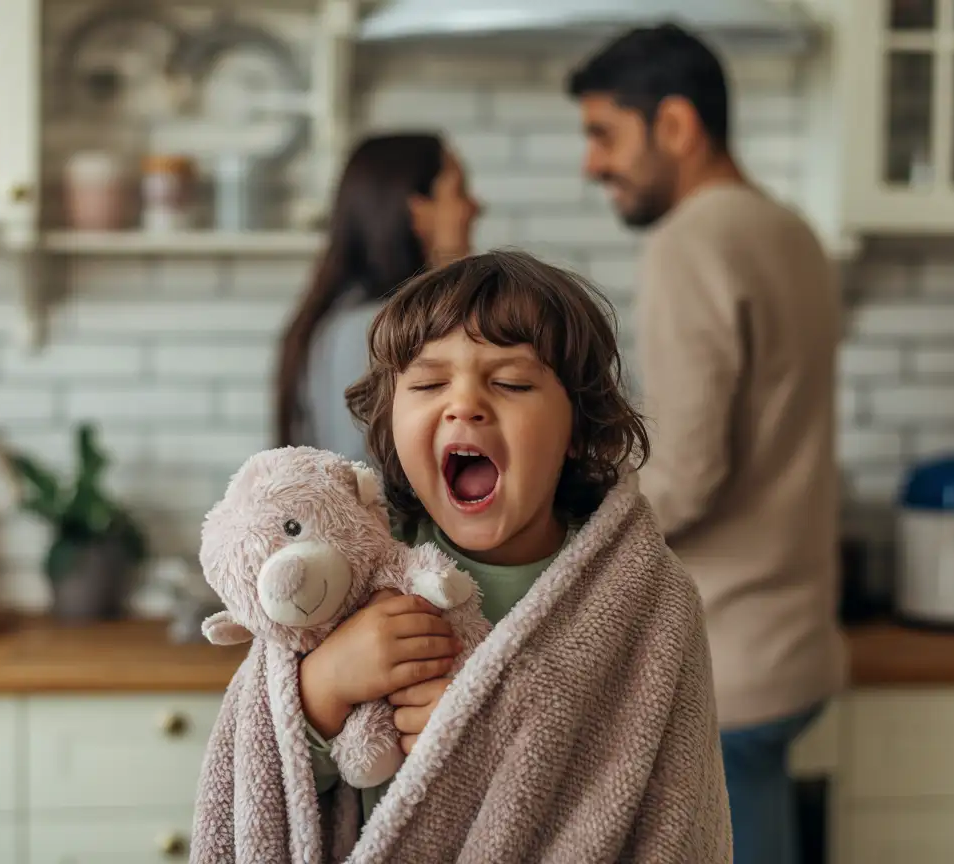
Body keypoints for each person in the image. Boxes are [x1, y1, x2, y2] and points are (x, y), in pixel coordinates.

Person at [297, 250, 732, 860]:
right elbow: (257, 779)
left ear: (579, 425)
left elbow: (669, 811)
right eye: (427, 383)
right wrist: (322, 689)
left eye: (511, 383)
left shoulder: (650, 599)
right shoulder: (344, 576)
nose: (465, 405)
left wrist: (486, 737)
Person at [567, 23, 847, 864]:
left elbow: (688, 473)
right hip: (791, 641)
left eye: (604, 134)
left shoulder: (693, 240)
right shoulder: (788, 231)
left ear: (677, 127)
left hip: (729, 653)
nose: (593, 164)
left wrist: (566, 537)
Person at [275, 132, 481, 459]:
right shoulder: (369, 329)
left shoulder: (367, 321)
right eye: (458, 192)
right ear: (416, 211)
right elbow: (368, 476)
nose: (475, 207)